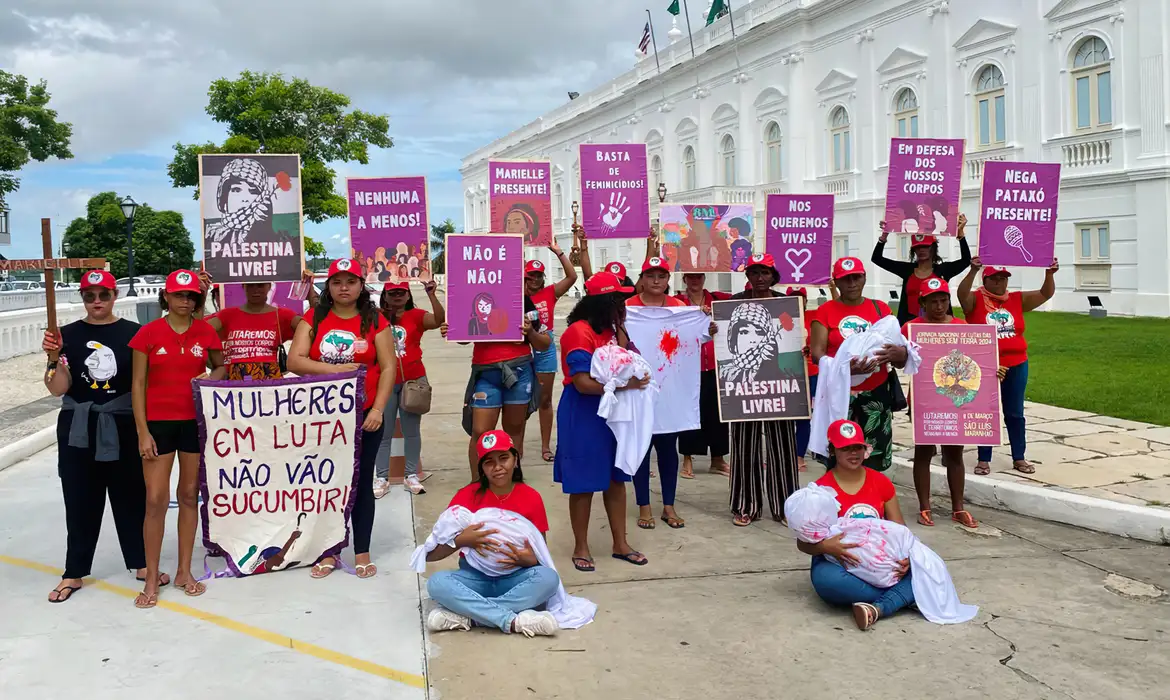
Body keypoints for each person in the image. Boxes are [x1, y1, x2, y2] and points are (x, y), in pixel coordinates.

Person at [41, 270, 153, 603]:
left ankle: (140, 563)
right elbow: (57, 387)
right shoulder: (65, 335)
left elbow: (143, 384)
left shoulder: (135, 334)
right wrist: (51, 357)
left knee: (130, 496)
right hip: (78, 427)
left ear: (115, 295)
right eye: (90, 296)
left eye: (103, 294)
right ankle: (73, 571)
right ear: (82, 298)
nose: (97, 302)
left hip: (122, 423)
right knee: (79, 499)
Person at [288, 258, 395, 579]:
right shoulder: (314, 317)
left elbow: (389, 367)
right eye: (337, 282)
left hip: (365, 416)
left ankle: (361, 550)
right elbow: (295, 360)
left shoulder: (375, 320)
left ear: (361, 286)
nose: (344, 288)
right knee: (328, 484)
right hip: (323, 417)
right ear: (328, 287)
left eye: (350, 282)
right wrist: (334, 370)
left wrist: (378, 409)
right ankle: (329, 550)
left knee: (361, 484)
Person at [131, 270, 225, 608]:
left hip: (193, 423)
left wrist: (209, 377)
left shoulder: (205, 332)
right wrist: (142, 431)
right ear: (166, 297)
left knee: (188, 495)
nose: (185, 301)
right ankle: (152, 577)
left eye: (191, 296)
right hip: (157, 424)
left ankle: (185, 571)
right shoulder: (148, 334)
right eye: (179, 295)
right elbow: (138, 386)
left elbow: (220, 367)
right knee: (156, 500)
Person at [554, 272, 650, 571]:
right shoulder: (578, 332)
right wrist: (626, 386)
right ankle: (581, 546)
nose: (624, 304)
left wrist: (620, 327)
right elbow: (582, 383)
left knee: (616, 479)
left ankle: (620, 543)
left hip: (613, 414)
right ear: (602, 301)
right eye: (618, 300)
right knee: (583, 483)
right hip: (583, 413)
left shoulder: (611, 329)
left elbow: (628, 358)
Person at [423, 430, 560, 637]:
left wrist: (528, 560)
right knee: (437, 583)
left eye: (503, 458)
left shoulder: (531, 497)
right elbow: (431, 554)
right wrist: (461, 541)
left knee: (549, 579)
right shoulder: (466, 496)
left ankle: (470, 616)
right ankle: (512, 621)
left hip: (515, 578)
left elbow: (541, 553)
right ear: (482, 468)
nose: (497, 467)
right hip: (474, 578)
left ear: (515, 459)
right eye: (489, 462)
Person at [799, 419, 913, 631]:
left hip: (881, 563)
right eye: (845, 448)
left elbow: (901, 531)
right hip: (840, 566)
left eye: (857, 447)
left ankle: (879, 607)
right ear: (832, 451)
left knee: (926, 565)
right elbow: (803, 544)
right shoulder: (820, 491)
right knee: (827, 581)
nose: (853, 454)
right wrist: (825, 547)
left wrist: (907, 559)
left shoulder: (881, 482)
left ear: (865, 449)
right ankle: (906, 596)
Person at [957, 257, 1059, 476]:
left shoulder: (1015, 299)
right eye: (995, 278)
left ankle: (1019, 457)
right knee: (986, 411)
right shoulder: (975, 300)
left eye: (1004, 278)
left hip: (1017, 363)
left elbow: (1045, 294)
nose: (1000, 283)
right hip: (986, 365)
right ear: (986, 280)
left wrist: (1049, 274)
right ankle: (984, 458)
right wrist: (973, 270)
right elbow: (961, 294)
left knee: (1015, 412)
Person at [810, 257, 908, 473]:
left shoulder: (880, 309)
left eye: (856, 277)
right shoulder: (825, 311)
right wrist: (845, 369)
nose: (852, 283)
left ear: (864, 278)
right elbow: (817, 354)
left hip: (876, 394)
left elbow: (901, 355)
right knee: (839, 452)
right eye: (845, 279)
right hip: (840, 395)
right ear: (836, 281)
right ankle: (839, 502)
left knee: (873, 455)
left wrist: (899, 352)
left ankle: (872, 502)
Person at [627, 257, 702, 530]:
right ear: (642, 278)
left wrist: (708, 327)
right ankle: (643, 505)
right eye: (651, 275)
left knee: (668, 449)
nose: (656, 281)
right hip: (638, 389)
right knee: (641, 450)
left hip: (670, 390)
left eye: (661, 275)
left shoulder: (680, 308)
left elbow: (696, 337)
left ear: (668, 279)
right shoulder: (627, 308)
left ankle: (668, 505)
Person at [726, 254, 801, 526]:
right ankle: (746, 505)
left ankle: (786, 507)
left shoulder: (786, 305)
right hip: (743, 389)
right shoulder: (734, 303)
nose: (759, 277)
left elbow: (795, 336)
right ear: (748, 277)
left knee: (782, 446)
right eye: (754, 272)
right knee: (744, 445)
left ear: (773, 275)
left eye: (765, 272)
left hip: (779, 387)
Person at [901, 277, 977, 529]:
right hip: (924, 401)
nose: (938, 306)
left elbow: (977, 359)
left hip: (953, 400)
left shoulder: (961, 326)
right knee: (923, 452)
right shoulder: (911, 328)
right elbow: (900, 360)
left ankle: (958, 508)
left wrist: (993, 370)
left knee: (954, 453)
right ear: (922, 302)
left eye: (943, 300)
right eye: (932, 301)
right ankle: (925, 506)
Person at [461, 286, 550, 479]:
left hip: (520, 372)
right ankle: (477, 485)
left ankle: (512, 481)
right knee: (480, 432)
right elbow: (462, 337)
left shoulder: (523, 301)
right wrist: (451, 330)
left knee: (515, 430)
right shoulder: (475, 296)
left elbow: (544, 343)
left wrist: (531, 333)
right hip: (486, 373)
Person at [373, 279, 445, 498]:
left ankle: (411, 474)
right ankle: (382, 477)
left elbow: (439, 320)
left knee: (411, 431)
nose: (397, 296)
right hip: (384, 381)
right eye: (392, 292)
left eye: (401, 292)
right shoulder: (375, 316)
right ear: (384, 294)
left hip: (413, 381)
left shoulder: (416, 315)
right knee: (382, 432)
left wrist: (432, 294)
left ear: (408, 294)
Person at [205, 274, 316, 380]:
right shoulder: (227, 315)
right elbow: (198, 329)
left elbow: (316, 327)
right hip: (235, 383)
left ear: (269, 286)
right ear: (243, 286)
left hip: (270, 384)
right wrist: (201, 291)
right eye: (250, 285)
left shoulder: (283, 315)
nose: (255, 290)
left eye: (260, 285)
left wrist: (309, 289)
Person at [525, 244, 579, 463]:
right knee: (518, 401)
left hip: (545, 348)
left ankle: (546, 446)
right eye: (531, 276)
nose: (535, 280)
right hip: (521, 346)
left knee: (544, 400)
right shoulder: (514, 292)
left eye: (539, 276)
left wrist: (558, 251)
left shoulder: (550, 293)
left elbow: (572, 276)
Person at [675, 273, 731, 478]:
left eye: (698, 276)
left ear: (704, 277)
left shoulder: (718, 299)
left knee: (717, 413)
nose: (694, 280)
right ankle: (687, 458)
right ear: (684, 279)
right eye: (690, 277)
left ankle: (718, 458)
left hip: (717, 364)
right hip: (690, 365)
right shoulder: (678, 303)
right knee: (690, 411)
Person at [871, 214, 971, 325]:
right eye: (918, 247)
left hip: (939, 324)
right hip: (910, 324)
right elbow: (877, 259)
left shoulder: (943, 270)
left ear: (933, 248)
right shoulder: (906, 270)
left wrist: (961, 234)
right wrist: (884, 235)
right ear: (913, 250)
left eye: (925, 246)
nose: (921, 250)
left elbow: (966, 260)